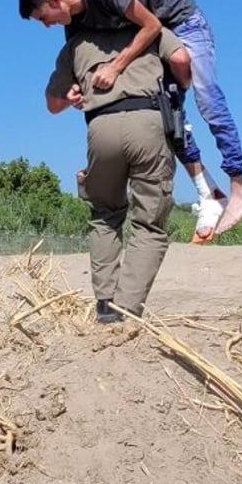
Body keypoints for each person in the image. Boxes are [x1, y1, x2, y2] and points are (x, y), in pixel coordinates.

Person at [19, 0, 242, 240]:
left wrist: (116, 67)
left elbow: (152, 25)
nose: (47, 26)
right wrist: (75, 91)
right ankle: (209, 193)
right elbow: (81, 64)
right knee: (165, 116)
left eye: (43, 19)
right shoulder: (75, 25)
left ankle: (239, 188)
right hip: (157, 40)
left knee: (208, 99)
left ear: (54, 1)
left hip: (182, 24)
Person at [45, 25, 183, 323]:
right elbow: (182, 60)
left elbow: (53, 104)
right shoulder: (151, 30)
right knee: (149, 223)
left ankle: (106, 306)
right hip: (148, 121)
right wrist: (181, 88)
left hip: (101, 126)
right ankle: (127, 310)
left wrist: (73, 93)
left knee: (104, 215)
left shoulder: (76, 44)